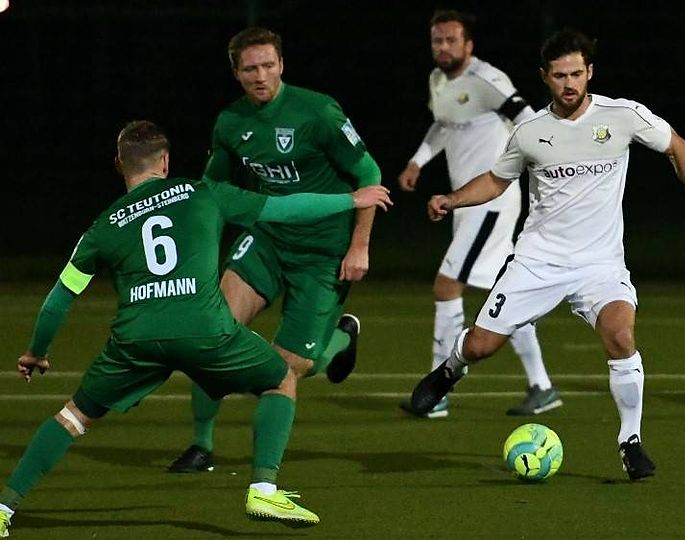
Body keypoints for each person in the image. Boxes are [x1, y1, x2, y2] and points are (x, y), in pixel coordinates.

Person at [0, 121, 393, 537]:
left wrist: (37, 351)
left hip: (136, 341)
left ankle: (5, 507)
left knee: (73, 417)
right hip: (206, 331)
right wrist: (351, 199)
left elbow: (59, 299)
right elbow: (285, 208)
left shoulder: (103, 226)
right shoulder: (204, 193)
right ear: (165, 162)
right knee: (281, 378)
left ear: (119, 165)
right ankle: (263, 489)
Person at [406, 30, 685, 480]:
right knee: (479, 346)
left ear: (590, 71)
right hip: (538, 262)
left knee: (621, 337)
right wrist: (451, 199)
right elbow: (495, 181)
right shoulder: (530, 132)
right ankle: (450, 370)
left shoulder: (622, 115)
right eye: (559, 76)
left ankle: (630, 441)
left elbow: (677, 147)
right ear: (544, 77)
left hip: (600, 265)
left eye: (576, 73)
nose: (569, 83)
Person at [168, 27, 384, 472]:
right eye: (251, 68)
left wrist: (359, 246)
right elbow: (214, 188)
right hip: (267, 240)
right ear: (236, 72)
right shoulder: (231, 123)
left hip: (323, 253)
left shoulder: (318, 112)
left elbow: (369, 175)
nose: (261, 76)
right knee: (211, 335)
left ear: (282, 64)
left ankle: (339, 340)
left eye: (269, 65)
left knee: (290, 367)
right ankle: (201, 445)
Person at [397, 9, 558, 419]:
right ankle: (541, 386)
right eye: (437, 40)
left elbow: (528, 120)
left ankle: (438, 391)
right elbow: (443, 125)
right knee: (506, 293)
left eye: (451, 40)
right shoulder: (438, 80)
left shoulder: (487, 80)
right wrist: (417, 161)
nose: (443, 47)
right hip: (467, 204)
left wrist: (546, 167)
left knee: (446, 286)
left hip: (490, 203)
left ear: (469, 45)